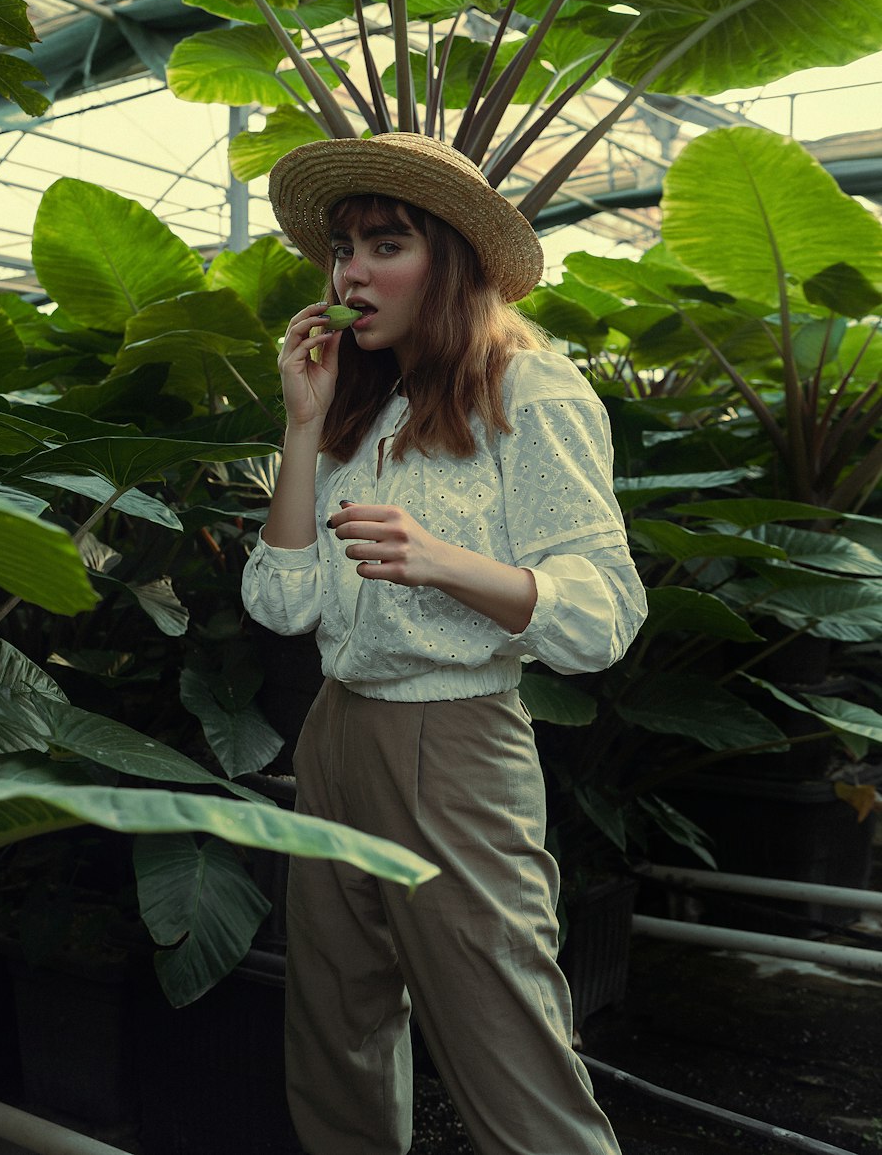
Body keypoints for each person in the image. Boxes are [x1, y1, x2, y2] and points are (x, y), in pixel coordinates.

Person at [241, 132, 647, 1155]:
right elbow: (282, 604)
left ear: (454, 260)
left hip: (456, 746)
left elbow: (604, 611)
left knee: (508, 1049)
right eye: (342, 248)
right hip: (336, 734)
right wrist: (302, 426)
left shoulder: (532, 391)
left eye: (386, 244)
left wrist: (446, 560)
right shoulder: (363, 405)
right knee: (334, 1030)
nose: (351, 272)